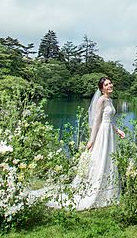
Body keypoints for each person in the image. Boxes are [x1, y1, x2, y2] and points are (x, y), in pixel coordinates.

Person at [52, 76, 125, 210]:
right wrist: (91, 140)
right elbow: (97, 121)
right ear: (102, 89)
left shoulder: (109, 100)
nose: (110, 86)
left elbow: (109, 120)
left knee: (109, 159)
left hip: (110, 132)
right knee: (101, 158)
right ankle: (96, 190)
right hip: (103, 134)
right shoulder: (101, 100)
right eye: (106, 85)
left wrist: (117, 130)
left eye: (110, 83)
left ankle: (109, 190)